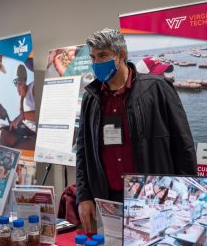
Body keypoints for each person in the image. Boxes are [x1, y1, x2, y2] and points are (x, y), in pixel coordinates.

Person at [76, 28, 197, 233]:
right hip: (108, 201)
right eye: (93, 57)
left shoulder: (157, 89)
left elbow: (183, 145)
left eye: (103, 56)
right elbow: (83, 151)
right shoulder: (92, 98)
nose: (96, 63)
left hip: (154, 198)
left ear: (121, 54)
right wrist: (84, 196)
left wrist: (186, 197)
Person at [0, 64, 36, 150]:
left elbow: (41, 115)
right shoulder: (22, 99)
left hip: (34, 135)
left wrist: (21, 117)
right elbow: (21, 115)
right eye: (16, 84)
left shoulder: (33, 87)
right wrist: (14, 123)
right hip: (25, 132)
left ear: (25, 80)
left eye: (20, 84)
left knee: (13, 148)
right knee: (4, 133)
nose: (18, 88)